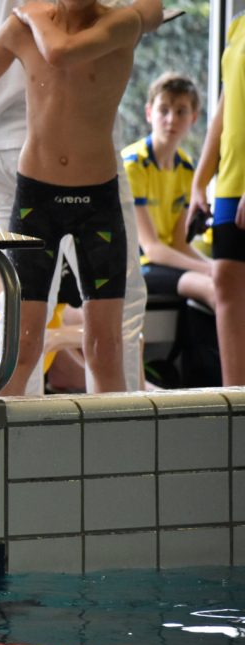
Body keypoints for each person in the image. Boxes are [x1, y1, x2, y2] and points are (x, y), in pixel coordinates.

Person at [0, 0, 163, 396]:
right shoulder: (21, 30)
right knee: (22, 342)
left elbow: (61, 52)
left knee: (105, 347)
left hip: (97, 203)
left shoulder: (120, 24)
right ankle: (8, 433)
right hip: (36, 200)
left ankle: (114, 435)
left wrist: (29, 16)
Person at [123, 72, 214, 311]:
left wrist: (215, 267)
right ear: (149, 113)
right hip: (131, 266)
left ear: (194, 117)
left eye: (181, 111)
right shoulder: (133, 165)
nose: (171, 119)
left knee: (227, 283)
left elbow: (178, 243)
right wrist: (209, 269)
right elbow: (152, 249)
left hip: (163, 263)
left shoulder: (186, 168)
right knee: (212, 287)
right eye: (163, 110)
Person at [188, 11, 245, 386]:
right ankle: (235, 400)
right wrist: (200, 181)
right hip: (231, 182)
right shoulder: (238, 25)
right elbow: (226, 107)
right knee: (225, 281)